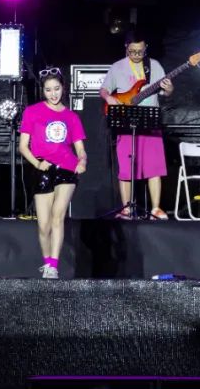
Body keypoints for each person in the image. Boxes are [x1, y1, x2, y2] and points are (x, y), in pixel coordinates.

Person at [18, 69, 87, 279]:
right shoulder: (32, 112)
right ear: (43, 91)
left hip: (66, 168)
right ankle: (47, 262)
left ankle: (53, 266)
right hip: (42, 168)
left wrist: (82, 161)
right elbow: (23, 146)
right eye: (48, 90)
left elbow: (80, 149)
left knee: (58, 216)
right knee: (44, 225)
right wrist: (37, 164)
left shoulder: (71, 117)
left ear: (63, 88)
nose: (53, 94)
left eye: (56, 89)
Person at [99, 30, 173, 220]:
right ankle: (126, 209)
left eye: (140, 51)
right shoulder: (117, 67)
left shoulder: (154, 66)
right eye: (132, 51)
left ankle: (155, 209)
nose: (137, 55)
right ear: (126, 48)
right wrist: (109, 98)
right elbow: (104, 89)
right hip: (125, 120)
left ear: (145, 48)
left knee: (154, 166)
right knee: (126, 166)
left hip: (150, 122)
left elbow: (166, 92)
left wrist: (169, 89)